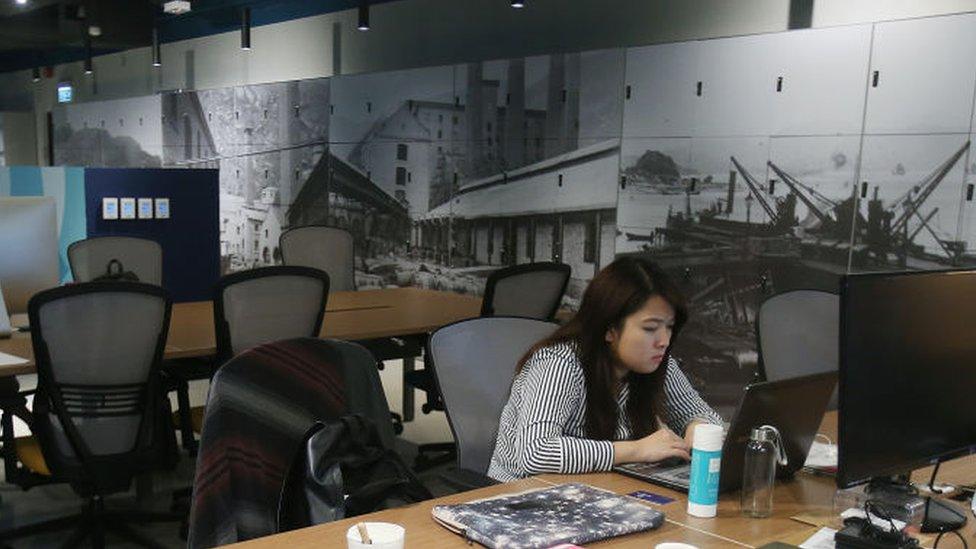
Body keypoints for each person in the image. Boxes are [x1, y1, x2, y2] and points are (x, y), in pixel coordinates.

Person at [487, 256, 722, 482]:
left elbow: (707, 418)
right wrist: (637, 450)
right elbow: (536, 452)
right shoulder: (560, 363)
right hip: (520, 499)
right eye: (650, 328)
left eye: (669, 327)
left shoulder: (658, 364)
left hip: (598, 492)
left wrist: (698, 429)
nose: (664, 340)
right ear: (609, 329)